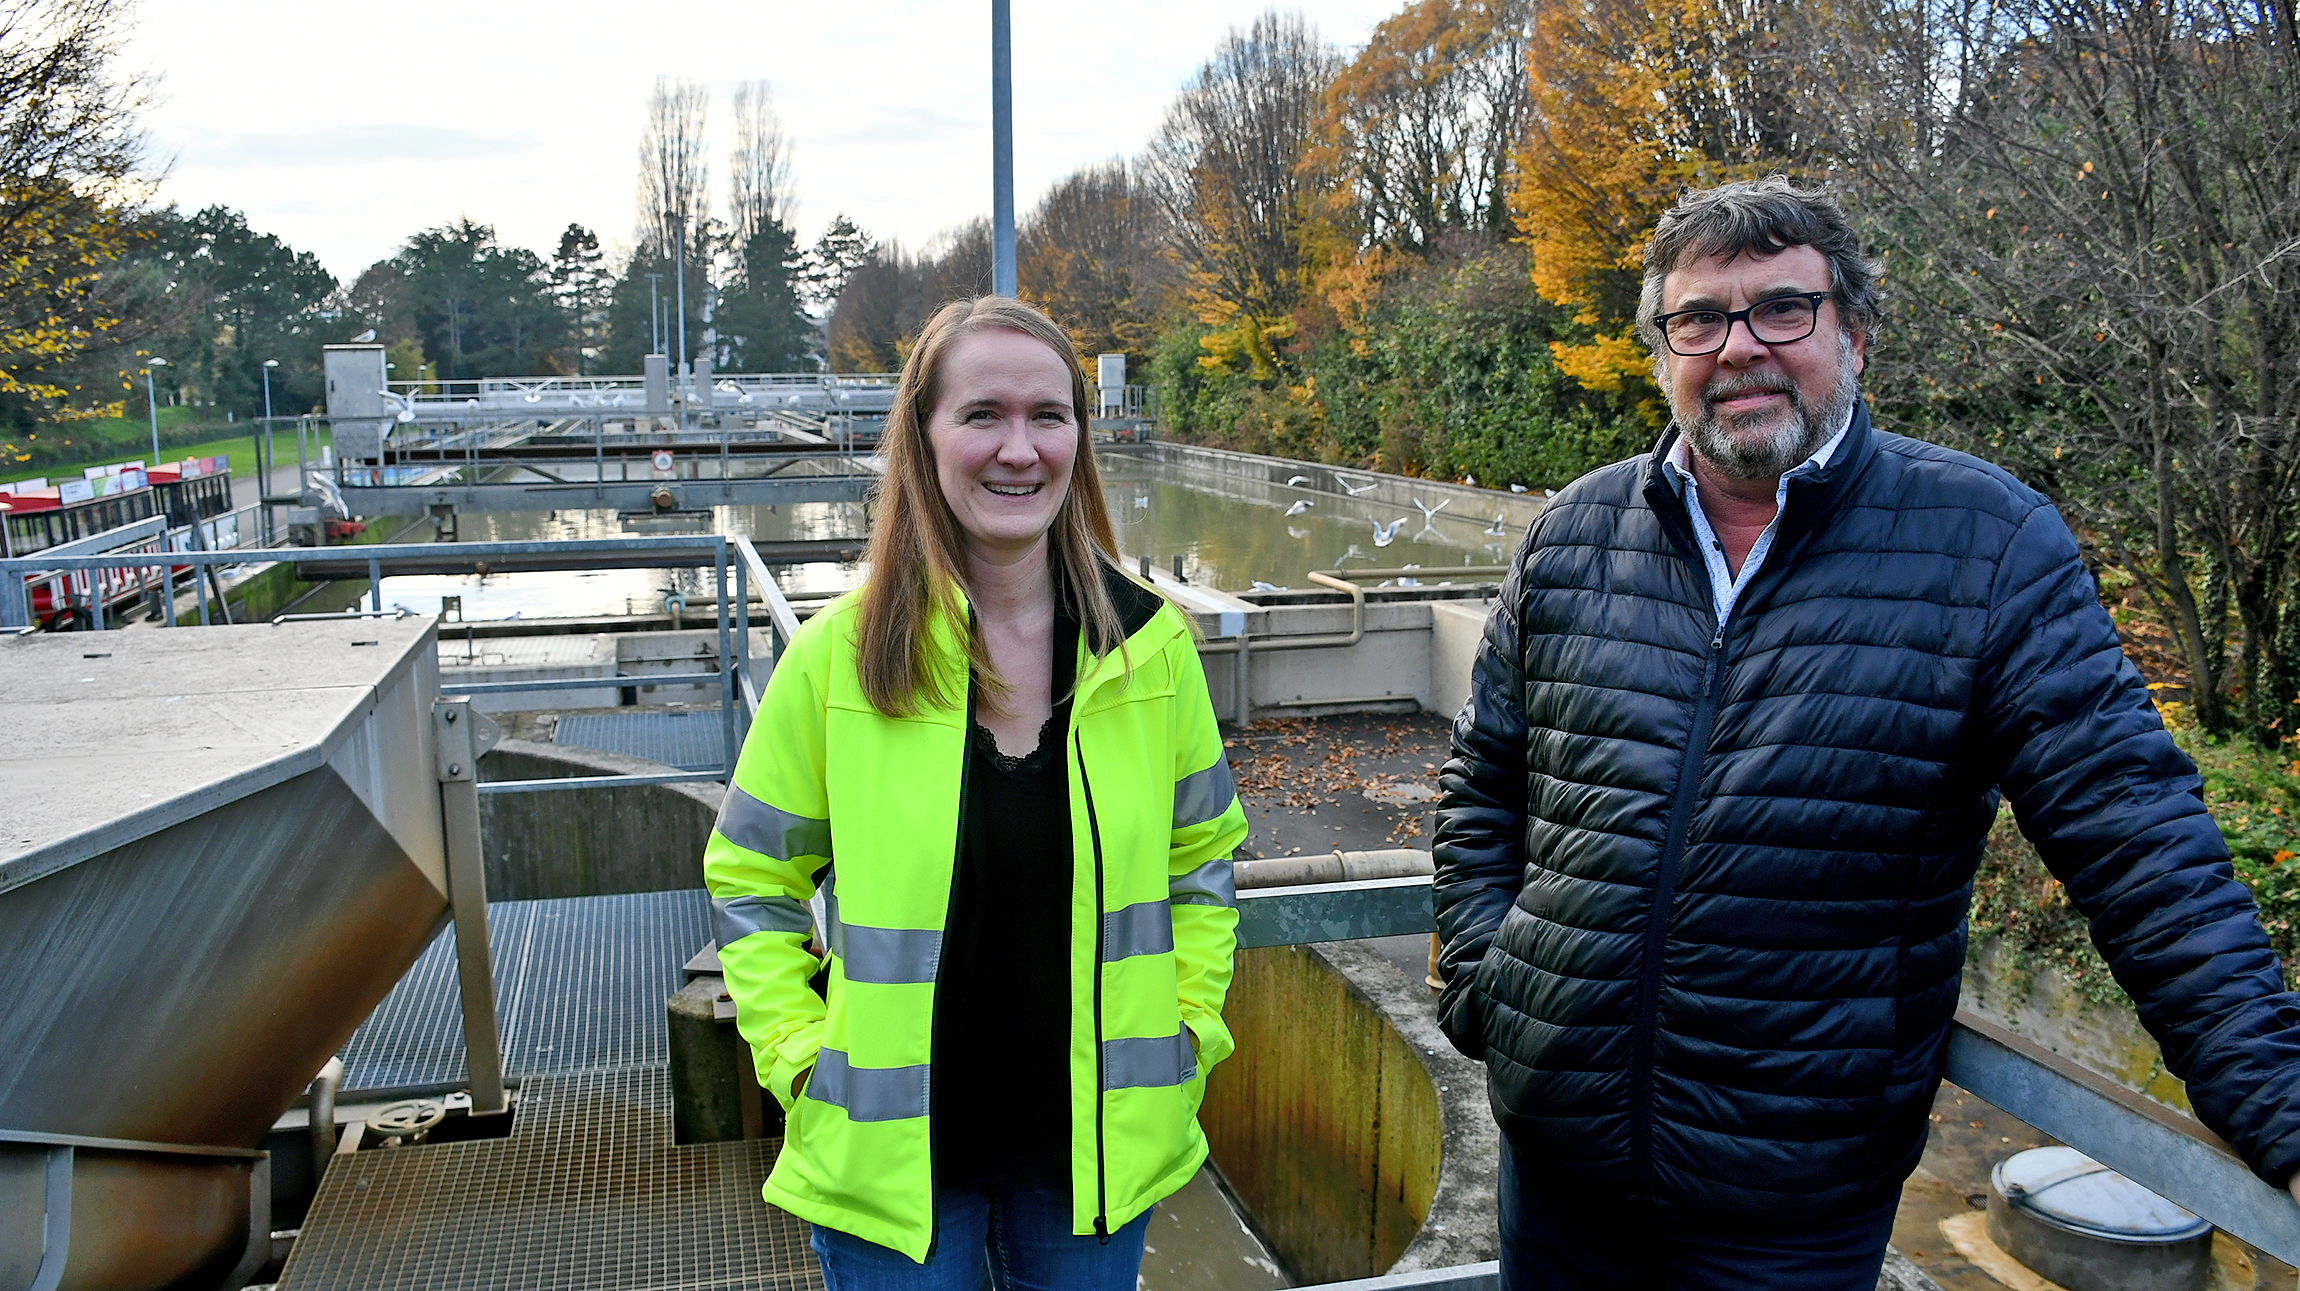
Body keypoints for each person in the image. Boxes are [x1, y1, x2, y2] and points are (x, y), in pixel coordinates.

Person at [1432, 176, 2300, 1290]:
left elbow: (2135, 838)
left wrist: (2278, 1104)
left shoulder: (1984, 545)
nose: (1737, 346)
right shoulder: (1570, 536)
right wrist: (1484, 985)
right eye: (1698, 318)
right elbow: (1483, 780)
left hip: (1790, 1204)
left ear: (1852, 336)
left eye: (1780, 308)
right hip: (1554, 1177)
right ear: (1661, 350)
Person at [705, 295, 1247, 1290]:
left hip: (1090, 1166)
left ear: (1080, 439)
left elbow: (1201, 866)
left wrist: (1184, 1037)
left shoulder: (1150, 650)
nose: (1019, 448)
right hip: (893, 1176)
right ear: (923, 436)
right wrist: (799, 1061)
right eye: (981, 414)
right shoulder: (841, 659)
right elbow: (749, 873)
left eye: (1048, 415)